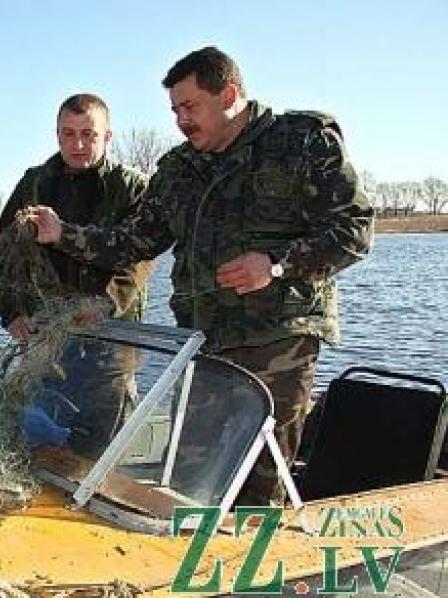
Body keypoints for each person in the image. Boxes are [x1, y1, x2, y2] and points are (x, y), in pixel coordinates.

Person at [26, 47, 374, 503]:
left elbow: (354, 230)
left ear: (229, 94)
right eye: (174, 110)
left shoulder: (302, 141)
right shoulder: (177, 169)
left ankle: (266, 567)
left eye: (190, 107)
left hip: (280, 339)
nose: (180, 120)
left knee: (261, 482)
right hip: (204, 342)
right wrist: (62, 233)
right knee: (193, 477)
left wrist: (275, 265)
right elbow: (133, 242)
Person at [0, 93, 153, 457]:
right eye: (68, 134)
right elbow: (7, 254)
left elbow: (140, 258)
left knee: (107, 435)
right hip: (45, 331)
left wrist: (106, 303)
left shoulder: (131, 187)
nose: (78, 144)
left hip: (111, 334)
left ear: (107, 137)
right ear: (57, 134)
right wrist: (11, 312)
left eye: (89, 134)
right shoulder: (34, 183)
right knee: (40, 427)